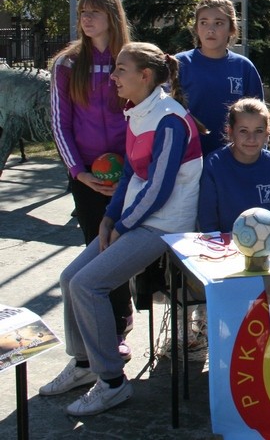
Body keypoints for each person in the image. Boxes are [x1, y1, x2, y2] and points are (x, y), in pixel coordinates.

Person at [39, 42, 203, 416]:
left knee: (88, 285)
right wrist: (109, 218)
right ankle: (85, 364)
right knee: (70, 278)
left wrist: (123, 225)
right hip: (137, 219)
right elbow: (130, 173)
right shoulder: (137, 112)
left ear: (145, 76)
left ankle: (112, 383)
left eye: (120, 70)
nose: (112, 77)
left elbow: (159, 189)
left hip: (164, 226)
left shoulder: (170, 120)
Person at [50, 0, 134, 361]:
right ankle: (104, 331)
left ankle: (121, 324)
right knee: (96, 249)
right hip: (86, 177)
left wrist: (130, 170)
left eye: (94, 11)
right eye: (83, 11)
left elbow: (145, 115)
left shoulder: (129, 60)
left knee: (120, 248)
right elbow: (60, 124)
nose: (86, 18)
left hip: (129, 175)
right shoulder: (67, 64)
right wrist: (78, 172)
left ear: (112, 17)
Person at [200, 98, 270, 232]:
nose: (251, 139)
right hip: (225, 243)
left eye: (259, 131)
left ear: (267, 133)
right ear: (230, 132)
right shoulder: (214, 165)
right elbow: (208, 225)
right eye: (243, 131)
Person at [175, 0, 264, 156]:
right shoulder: (180, 63)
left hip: (233, 159)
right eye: (204, 22)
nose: (210, 29)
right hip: (187, 157)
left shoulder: (244, 67)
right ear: (196, 28)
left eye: (218, 23)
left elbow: (259, 118)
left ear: (231, 29)